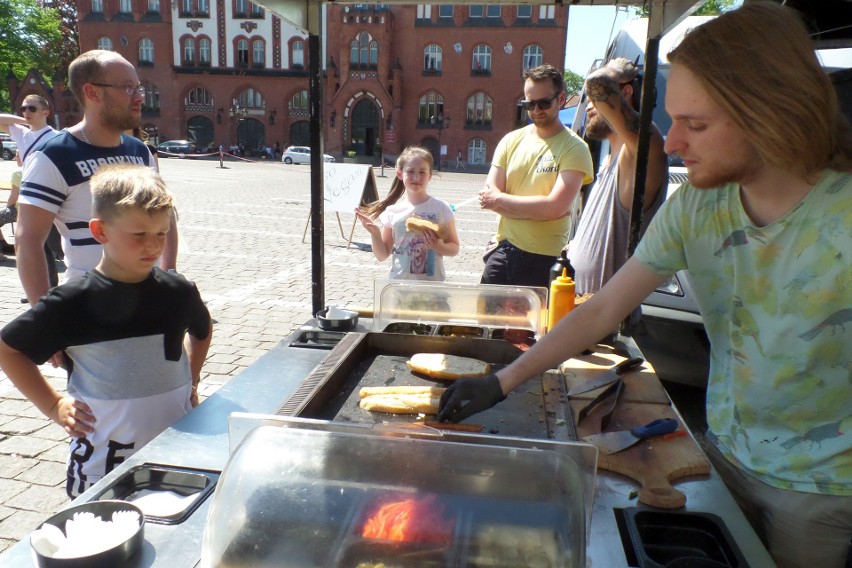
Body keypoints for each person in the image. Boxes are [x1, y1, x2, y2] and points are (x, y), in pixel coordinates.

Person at [439, 4, 852, 567]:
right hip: (725, 456)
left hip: (823, 492)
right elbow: (604, 305)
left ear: (770, 113)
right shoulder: (695, 209)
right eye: (673, 117)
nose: (673, 140)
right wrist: (503, 381)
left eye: (696, 124)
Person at [0, 164, 212, 498]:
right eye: (139, 234)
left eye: (161, 233)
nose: (153, 245)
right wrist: (54, 406)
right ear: (100, 231)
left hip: (175, 451)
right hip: (103, 467)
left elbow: (202, 331)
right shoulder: (71, 301)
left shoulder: (179, 291)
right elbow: (8, 349)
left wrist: (193, 379)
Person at [16, 50, 178, 307]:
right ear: (92, 92)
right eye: (128, 88)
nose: (139, 97)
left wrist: (169, 274)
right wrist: (46, 323)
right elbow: (28, 241)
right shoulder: (54, 155)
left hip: (149, 301)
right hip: (89, 307)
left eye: (139, 88)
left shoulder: (139, 151)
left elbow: (166, 216)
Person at [479, 64, 594, 288]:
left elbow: (554, 207)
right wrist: (536, 210)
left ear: (561, 99)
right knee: (487, 321)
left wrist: (502, 201)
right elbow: (488, 198)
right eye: (529, 104)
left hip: (543, 259)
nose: (536, 110)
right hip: (503, 250)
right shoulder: (510, 140)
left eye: (544, 103)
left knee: (533, 324)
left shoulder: (575, 148)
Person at [568, 57, 668, 296]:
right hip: (583, 315)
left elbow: (597, 83)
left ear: (626, 92)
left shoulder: (644, 147)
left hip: (608, 327)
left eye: (594, 101)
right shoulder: (608, 160)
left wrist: (615, 70)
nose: (590, 107)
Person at [354, 145, 459, 281]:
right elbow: (382, 255)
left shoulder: (441, 208)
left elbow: (454, 247)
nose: (416, 177)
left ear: (430, 176)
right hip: (400, 287)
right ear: (400, 174)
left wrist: (437, 246)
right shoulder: (392, 212)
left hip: (432, 289)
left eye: (422, 172)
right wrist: (375, 234)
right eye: (410, 171)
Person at [0, 95, 64, 285]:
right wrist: (24, 120)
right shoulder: (21, 133)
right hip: (30, 197)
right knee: (36, 245)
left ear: (46, 112)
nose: (27, 111)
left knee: (56, 243)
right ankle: (46, 288)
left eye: (32, 109)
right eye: (24, 108)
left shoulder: (56, 137)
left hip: (52, 195)